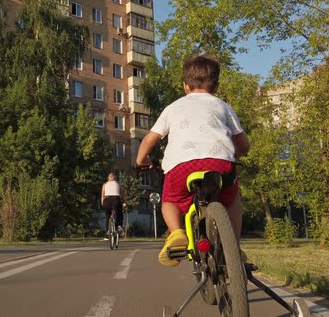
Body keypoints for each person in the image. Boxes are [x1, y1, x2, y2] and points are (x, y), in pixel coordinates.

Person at [136, 54, 250, 266]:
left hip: (181, 167)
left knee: (169, 200)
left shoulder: (172, 108)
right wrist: (238, 152)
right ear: (215, 87)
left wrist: (141, 159)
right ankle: (233, 246)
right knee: (233, 198)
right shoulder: (222, 106)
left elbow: (149, 140)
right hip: (220, 165)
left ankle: (177, 232)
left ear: (185, 86)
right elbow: (243, 145)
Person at [101, 173, 127, 239]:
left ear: (108, 178)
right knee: (119, 213)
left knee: (107, 216)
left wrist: (103, 205)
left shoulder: (105, 185)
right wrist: (124, 203)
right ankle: (119, 226)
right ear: (115, 178)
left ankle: (107, 233)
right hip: (116, 199)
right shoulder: (118, 185)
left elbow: (102, 196)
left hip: (106, 201)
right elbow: (123, 196)